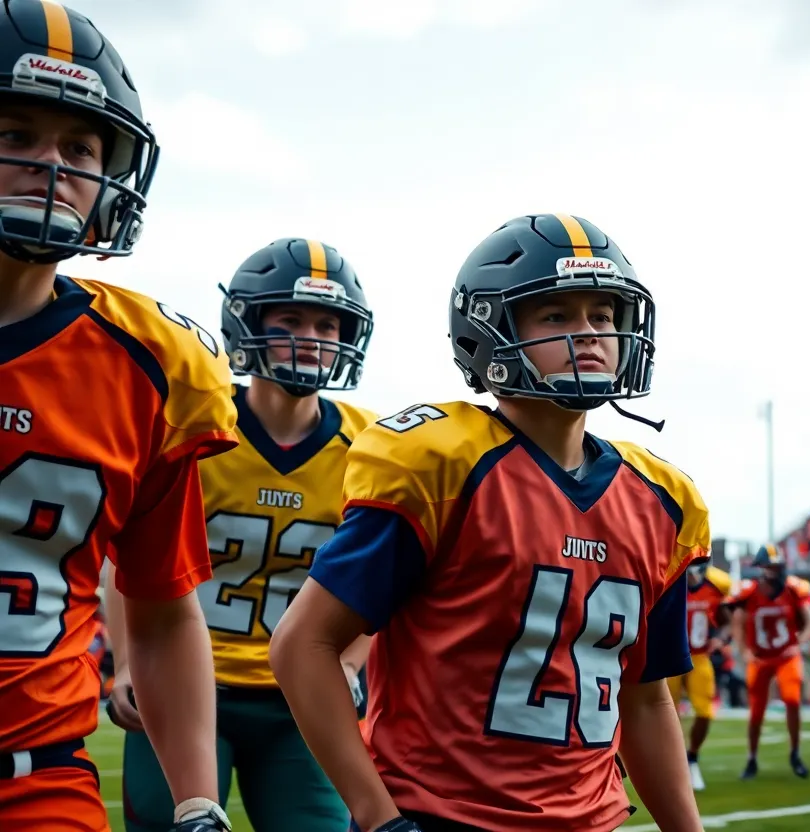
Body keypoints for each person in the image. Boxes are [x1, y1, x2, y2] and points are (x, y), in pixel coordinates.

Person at [268, 214, 706, 832]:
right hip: (442, 816)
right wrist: (377, 816)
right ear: (490, 329)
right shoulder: (439, 461)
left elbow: (645, 695)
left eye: (604, 316)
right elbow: (302, 646)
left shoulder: (662, 499)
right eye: (556, 316)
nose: (590, 335)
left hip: (594, 820)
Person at [0, 2, 237, 829]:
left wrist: (199, 799)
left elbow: (166, 609)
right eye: (16, 135)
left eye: (80, 147)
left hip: (37, 785)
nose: (52, 168)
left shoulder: (151, 365)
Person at [104, 239, 378, 830]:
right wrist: (127, 662)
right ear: (246, 323)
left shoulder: (372, 447)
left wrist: (351, 666)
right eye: (291, 320)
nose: (313, 338)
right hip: (188, 686)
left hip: (302, 697)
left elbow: (383, 581)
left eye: (329, 324)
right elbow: (124, 554)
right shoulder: (199, 422)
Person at [729, 544, 810, 780]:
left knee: (792, 700)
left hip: (786, 656)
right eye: (769, 567)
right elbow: (737, 623)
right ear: (759, 568)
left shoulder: (793, 589)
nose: (773, 571)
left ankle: (795, 753)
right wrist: (744, 652)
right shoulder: (749, 593)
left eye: (776, 566)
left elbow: (809, 621)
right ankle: (752, 758)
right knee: (756, 713)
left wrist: (799, 643)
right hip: (760, 658)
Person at [668, 561, 732, 791]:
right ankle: (673, 765)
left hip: (699, 656)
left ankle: (692, 757)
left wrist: (721, 638)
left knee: (705, 712)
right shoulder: (670, 580)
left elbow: (726, 622)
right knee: (667, 715)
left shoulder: (715, 587)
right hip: (669, 656)